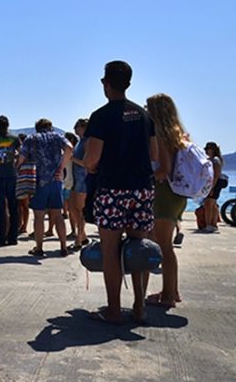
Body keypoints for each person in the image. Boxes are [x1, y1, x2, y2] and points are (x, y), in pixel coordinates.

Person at [84, 60, 157, 324]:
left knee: (110, 250)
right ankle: (139, 307)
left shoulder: (101, 116)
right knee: (139, 247)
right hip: (142, 189)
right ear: (128, 83)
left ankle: (114, 310)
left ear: (106, 84)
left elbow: (92, 159)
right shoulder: (144, 115)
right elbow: (154, 155)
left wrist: (92, 168)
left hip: (112, 189)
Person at [145, 93, 188, 308]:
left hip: (164, 193)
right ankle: (172, 290)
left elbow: (164, 169)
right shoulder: (178, 133)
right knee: (166, 244)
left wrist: (146, 178)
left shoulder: (160, 134)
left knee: (164, 245)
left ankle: (169, 296)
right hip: (176, 194)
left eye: (147, 107)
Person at [17, 118, 72, 257]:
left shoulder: (31, 138)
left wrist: (17, 168)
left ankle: (39, 248)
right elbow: (69, 148)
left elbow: (22, 157)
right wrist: (61, 167)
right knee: (58, 215)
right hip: (56, 180)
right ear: (50, 127)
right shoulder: (57, 137)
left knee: (39, 216)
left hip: (38, 181)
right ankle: (63, 247)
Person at [0, 115, 21, 246]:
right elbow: (21, 153)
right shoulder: (14, 139)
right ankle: (13, 237)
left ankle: (1, 236)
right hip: (12, 174)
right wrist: (16, 165)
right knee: (13, 206)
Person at [68, 118, 90, 250]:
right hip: (76, 179)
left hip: (83, 178)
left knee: (80, 210)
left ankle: (79, 238)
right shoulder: (80, 142)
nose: (75, 128)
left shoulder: (86, 142)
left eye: (77, 126)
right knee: (72, 207)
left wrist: (72, 159)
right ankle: (83, 235)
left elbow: (86, 163)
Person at [204, 141, 226, 232]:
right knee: (213, 204)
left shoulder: (215, 160)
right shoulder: (212, 159)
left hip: (215, 182)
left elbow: (216, 175)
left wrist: (211, 187)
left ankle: (209, 224)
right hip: (214, 182)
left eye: (209, 149)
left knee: (209, 204)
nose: (207, 151)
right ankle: (213, 224)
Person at [16, 133, 31, 234]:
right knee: (22, 205)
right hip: (26, 178)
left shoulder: (24, 152)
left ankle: (23, 225)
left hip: (23, 178)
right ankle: (22, 224)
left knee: (23, 204)